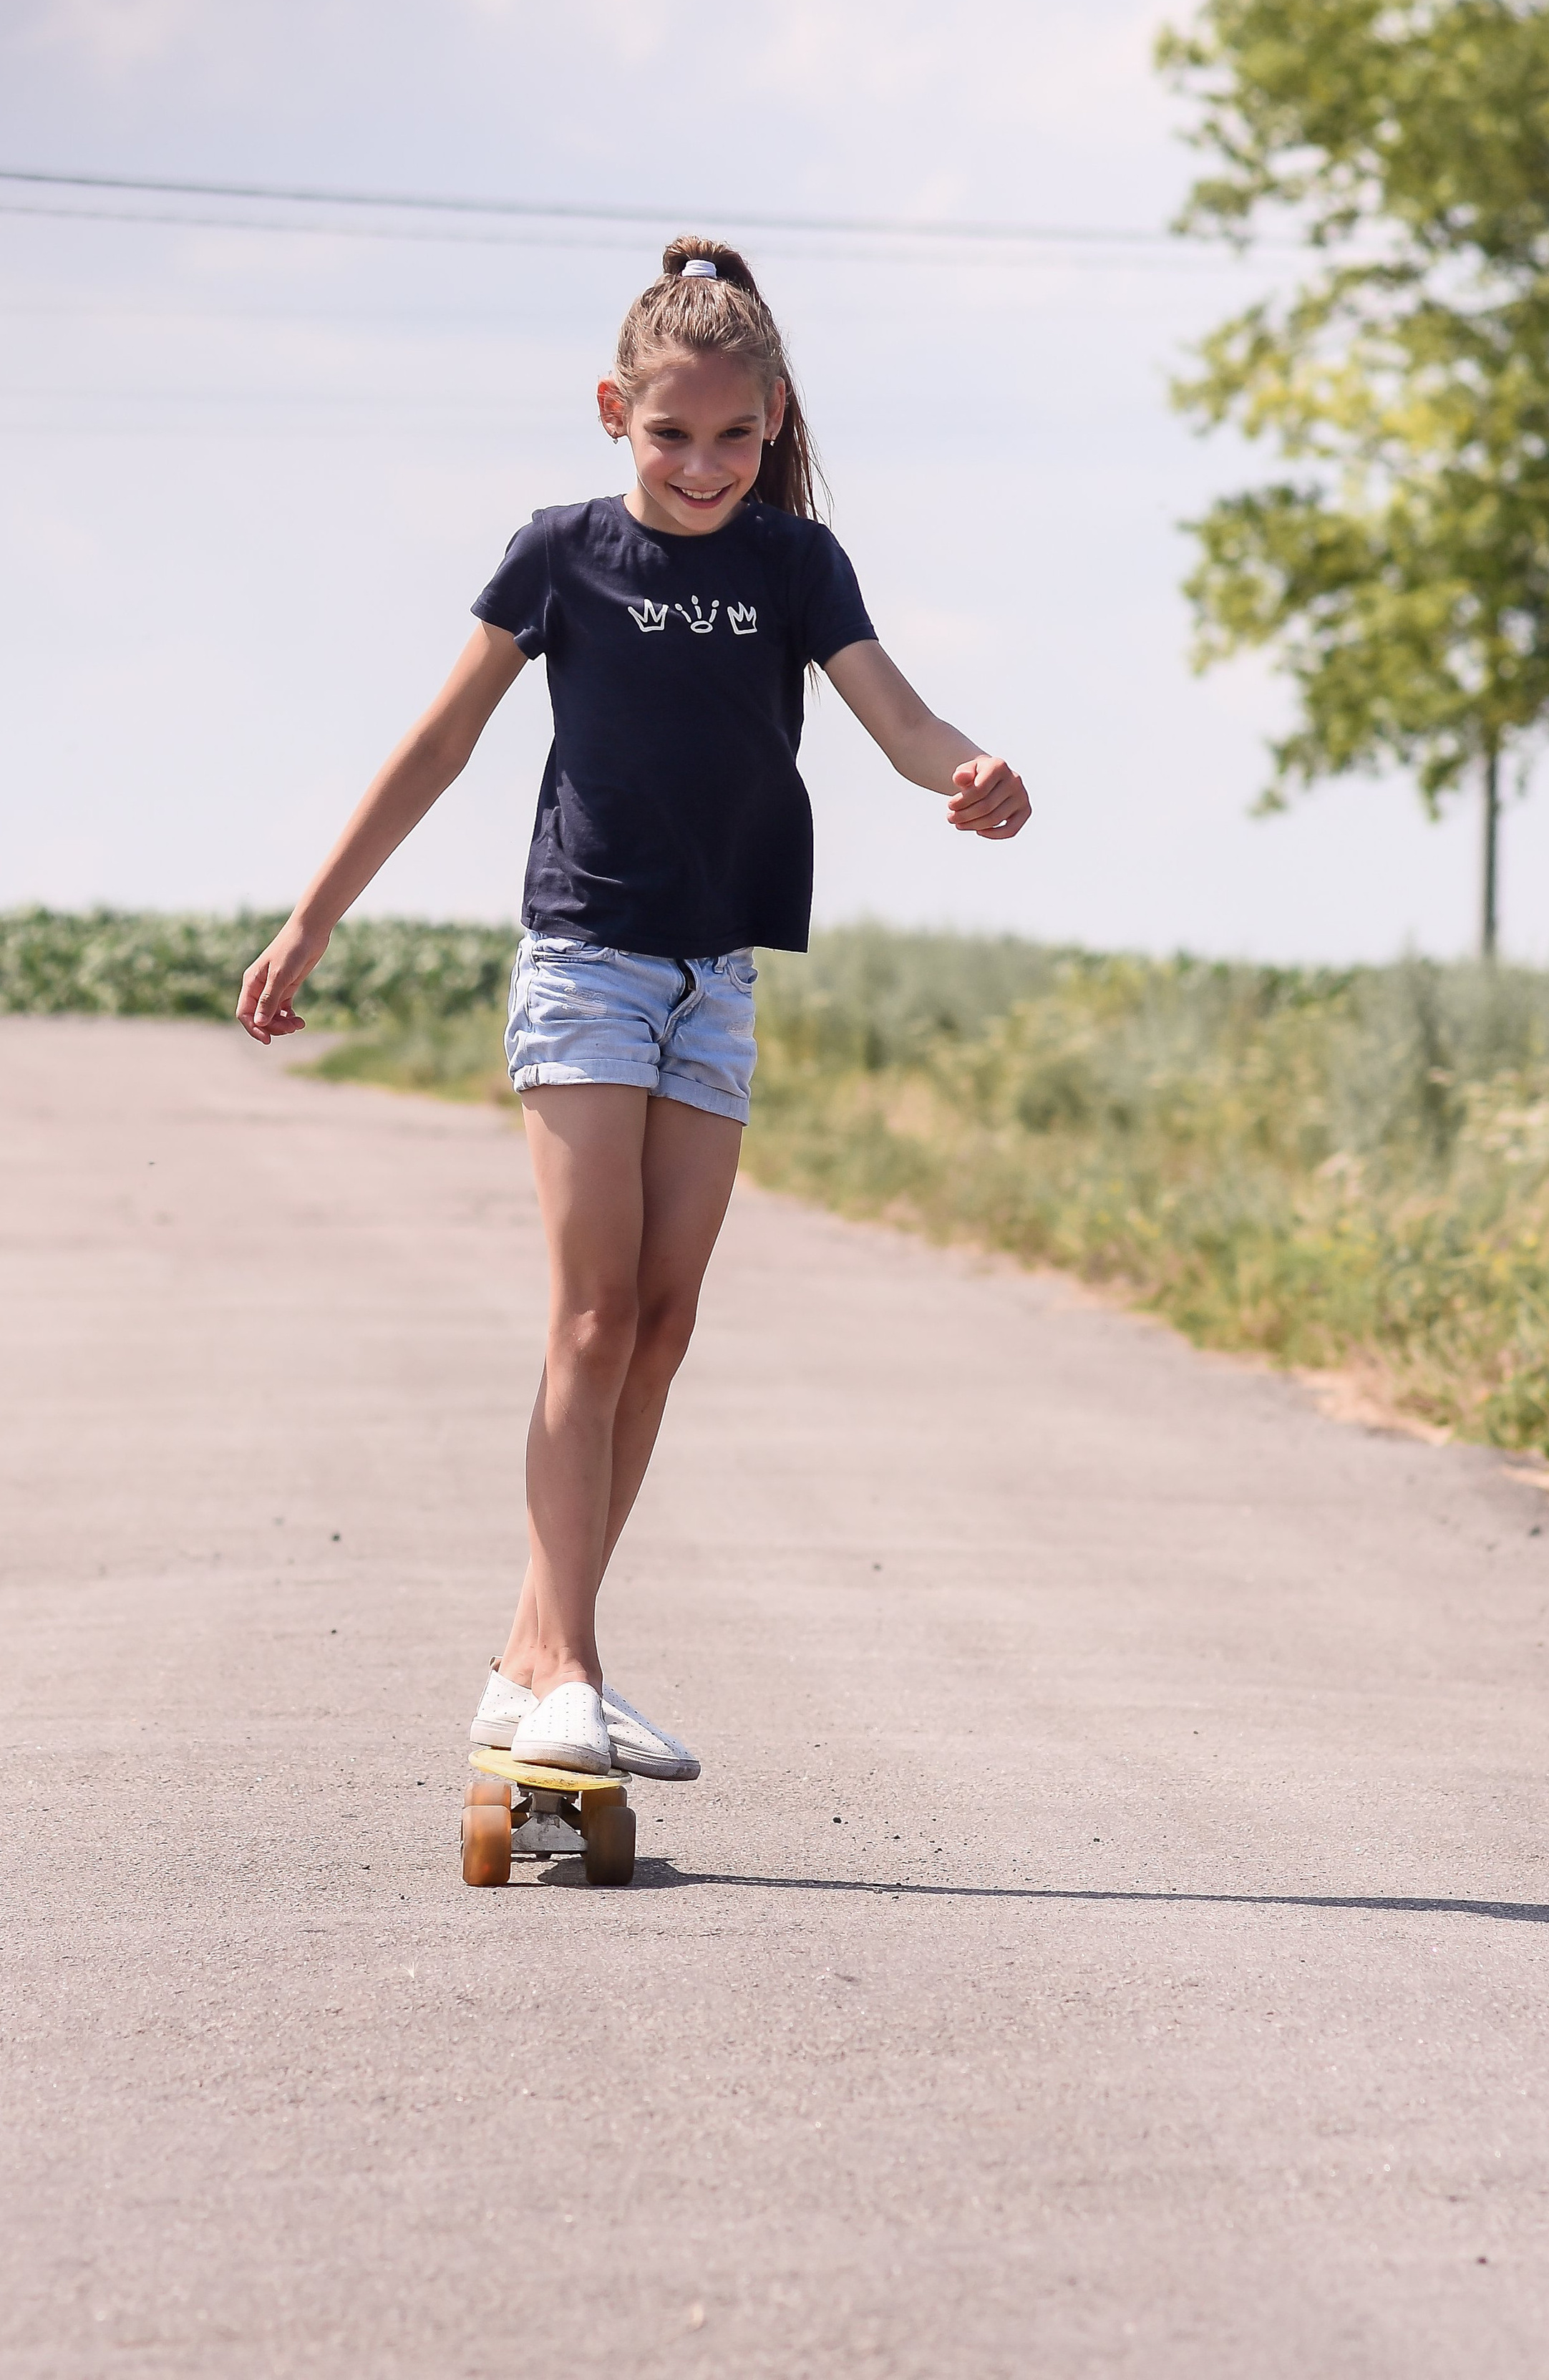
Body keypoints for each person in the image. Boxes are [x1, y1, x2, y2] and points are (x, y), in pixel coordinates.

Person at [236, 237, 1031, 1782]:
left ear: (774, 417)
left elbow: (898, 717)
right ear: (614, 410)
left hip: (715, 979)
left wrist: (970, 771)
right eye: (671, 433)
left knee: (660, 1328)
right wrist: (311, 919)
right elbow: (439, 743)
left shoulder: (796, 565)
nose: (703, 465)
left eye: (735, 436)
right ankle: (572, 1670)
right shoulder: (558, 554)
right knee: (591, 1317)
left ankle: (533, 1660)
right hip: (584, 963)